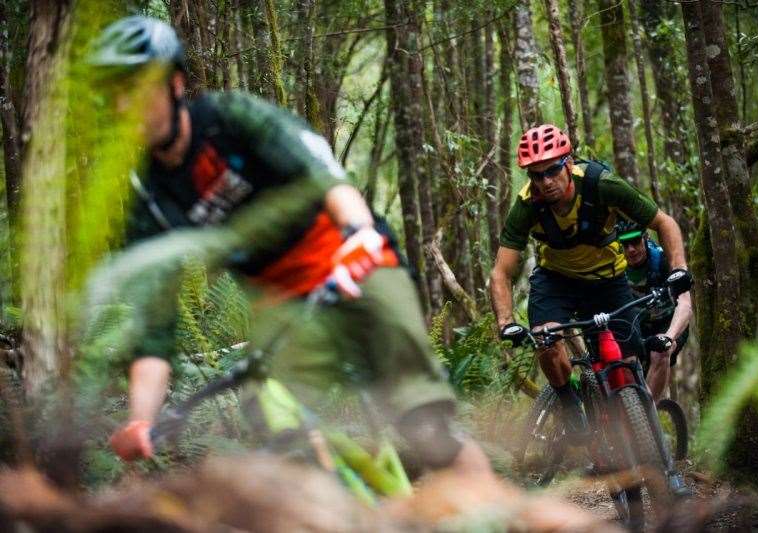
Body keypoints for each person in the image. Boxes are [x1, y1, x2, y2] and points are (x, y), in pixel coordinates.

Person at [90, 16, 493, 478]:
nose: (125, 106)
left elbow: (322, 174)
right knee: (280, 433)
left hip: (349, 258)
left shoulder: (230, 120)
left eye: (137, 89)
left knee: (428, 430)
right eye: (113, 94)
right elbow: (153, 330)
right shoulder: (148, 196)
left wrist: (359, 234)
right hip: (281, 300)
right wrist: (140, 422)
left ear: (175, 84)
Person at [489, 124, 691, 495]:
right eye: (536, 175)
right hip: (556, 282)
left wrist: (678, 269)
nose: (545, 181)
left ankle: (665, 469)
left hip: (609, 282)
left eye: (552, 170)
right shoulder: (526, 205)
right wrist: (506, 322)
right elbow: (502, 272)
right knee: (547, 343)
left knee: (631, 370)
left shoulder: (602, 184)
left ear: (568, 163)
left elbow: (664, 223)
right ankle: (570, 405)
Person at [616, 221, 692, 402]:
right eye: (625, 245)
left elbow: (685, 305)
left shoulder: (663, 260)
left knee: (660, 353)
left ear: (645, 238)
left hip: (668, 322)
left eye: (635, 242)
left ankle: (647, 419)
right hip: (637, 323)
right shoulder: (616, 266)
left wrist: (669, 337)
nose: (631, 249)